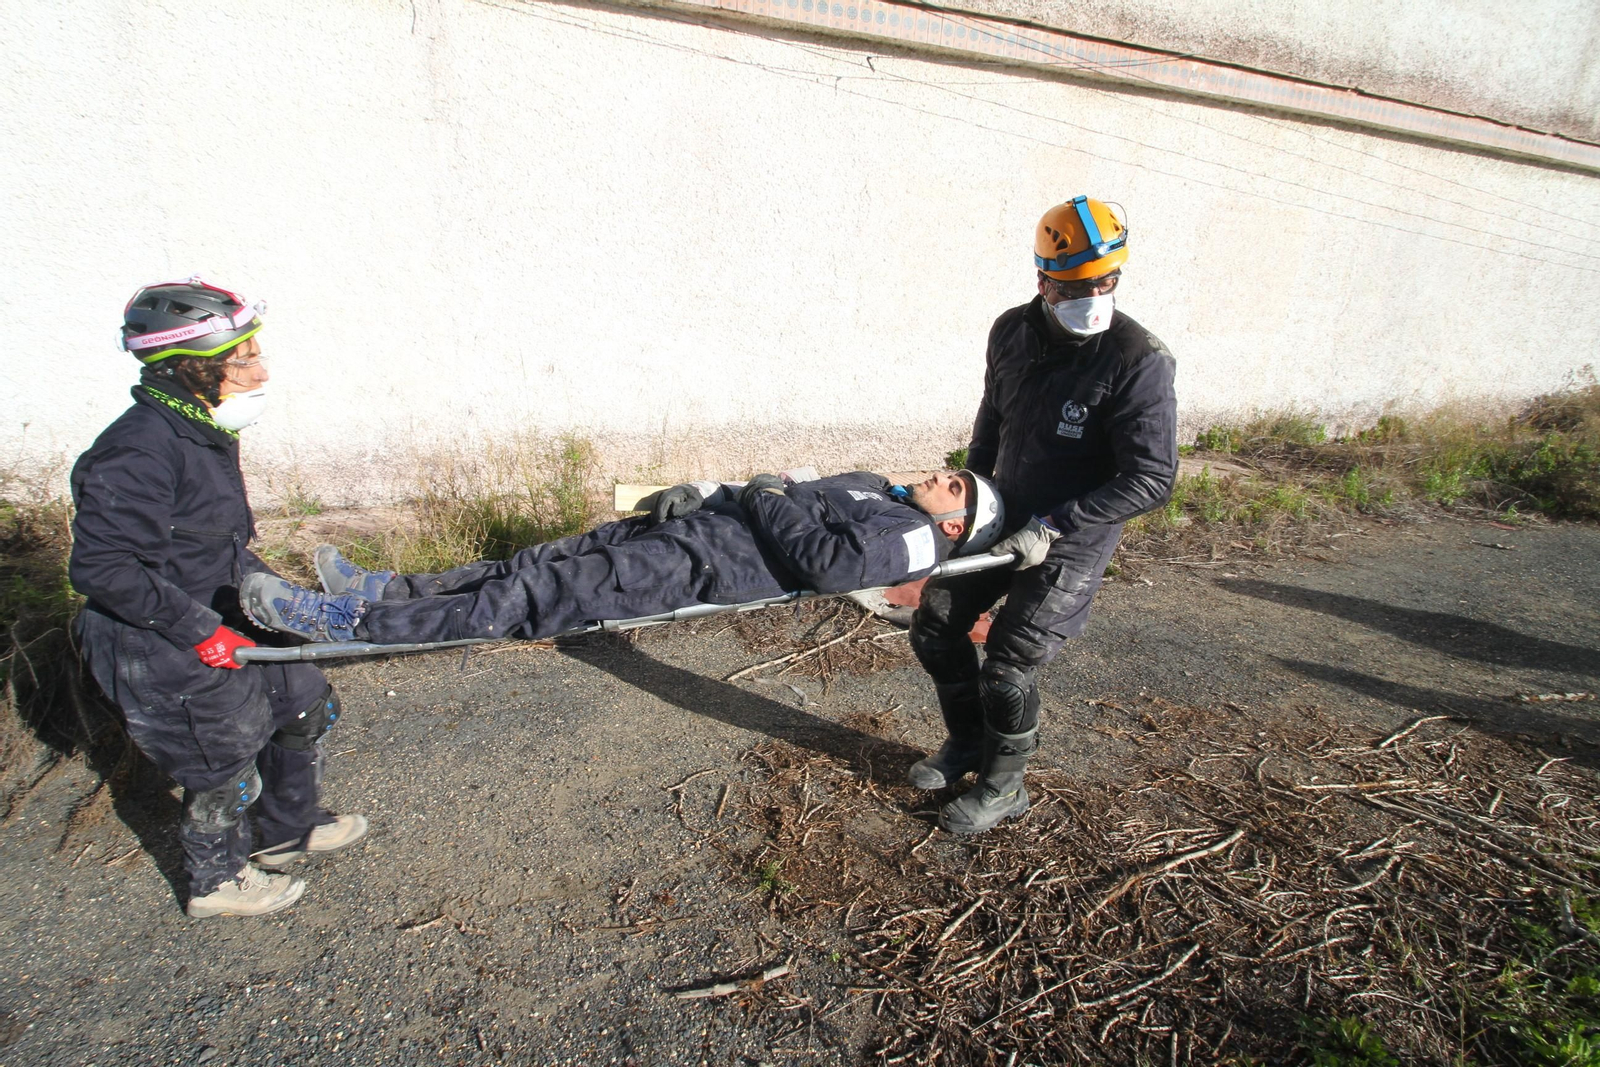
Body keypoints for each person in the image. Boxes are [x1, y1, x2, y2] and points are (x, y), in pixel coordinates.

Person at [71, 277, 368, 919]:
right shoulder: (136, 451)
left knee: (306, 704)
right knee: (223, 756)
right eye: (243, 361)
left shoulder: (201, 432)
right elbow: (104, 567)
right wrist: (201, 631)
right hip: (154, 633)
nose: (260, 371)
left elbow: (216, 544)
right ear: (188, 368)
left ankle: (285, 829)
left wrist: (281, 597)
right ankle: (216, 881)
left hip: (217, 604)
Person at [910, 195, 1179, 835]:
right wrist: (974, 494)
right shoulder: (1012, 331)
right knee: (937, 621)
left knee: (1009, 663)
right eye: (1075, 284)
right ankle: (969, 744)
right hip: (1005, 507)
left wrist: (1055, 524)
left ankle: (1003, 787)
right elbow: (993, 418)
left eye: (1105, 281)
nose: (1093, 294)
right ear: (1042, 280)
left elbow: (1152, 477)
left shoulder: (1138, 360)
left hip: (1073, 534)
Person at [237, 470, 1006, 646]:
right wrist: (708, 487)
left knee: (532, 598)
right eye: (949, 470)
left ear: (957, 524)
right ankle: (388, 586)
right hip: (698, 526)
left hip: (698, 567)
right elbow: (779, 490)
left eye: (955, 487)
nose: (943, 476)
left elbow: (825, 565)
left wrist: (763, 496)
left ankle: (347, 620)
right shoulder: (880, 486)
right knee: (532, 563)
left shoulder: (911, 535)